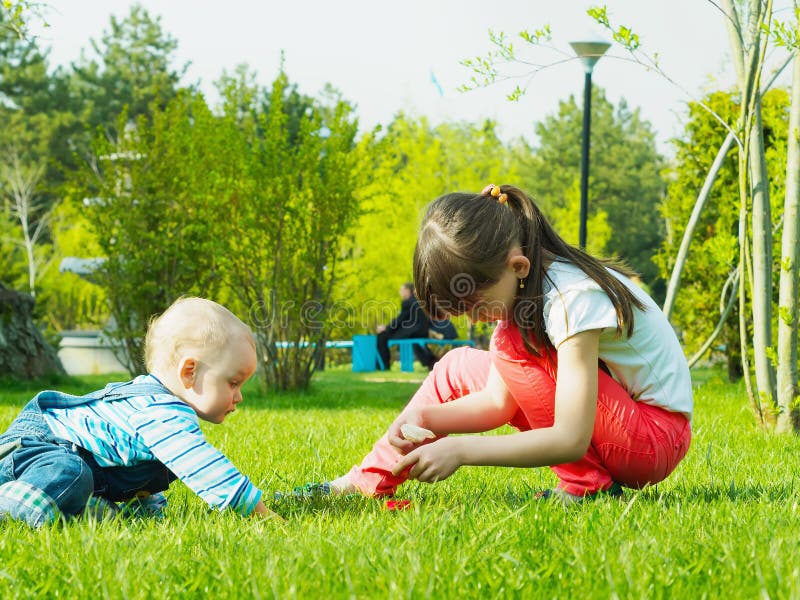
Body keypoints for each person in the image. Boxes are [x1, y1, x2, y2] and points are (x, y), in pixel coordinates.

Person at [325, 184, 692, 503]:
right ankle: (365, 481)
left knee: (513, 344)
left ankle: (587, 487)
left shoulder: (571, 297)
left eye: (476, 305)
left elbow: (570, 438)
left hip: (652, 438)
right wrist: (422, 418)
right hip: (619, 421)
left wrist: (461, 449)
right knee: (455, 366)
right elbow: (497, 402)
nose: (472, 320)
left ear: (518, 267)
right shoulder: (527, 297)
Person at [0, 297, 282, 526]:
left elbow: (143, 473)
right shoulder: (161, 412)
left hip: (50, 459)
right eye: (233, 383)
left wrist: (149, 510)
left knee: (89, 483)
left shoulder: (162, 411)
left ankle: (75, 511)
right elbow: (210, 472)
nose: (239, 396)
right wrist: (265, 517)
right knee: (71, 473)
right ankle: (11, 510)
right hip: (35, 450)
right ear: (189, 371)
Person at [376, 282, 436, 370]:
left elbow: (400, 319)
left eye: (401, 290)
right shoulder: (420, 301)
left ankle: (384, 365)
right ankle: (430, 361)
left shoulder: (407, 302)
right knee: (415, 344)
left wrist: (386, 328)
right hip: (422, 331)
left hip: (413, 331)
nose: (400, 292)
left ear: (407, 291)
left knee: (382, 336)